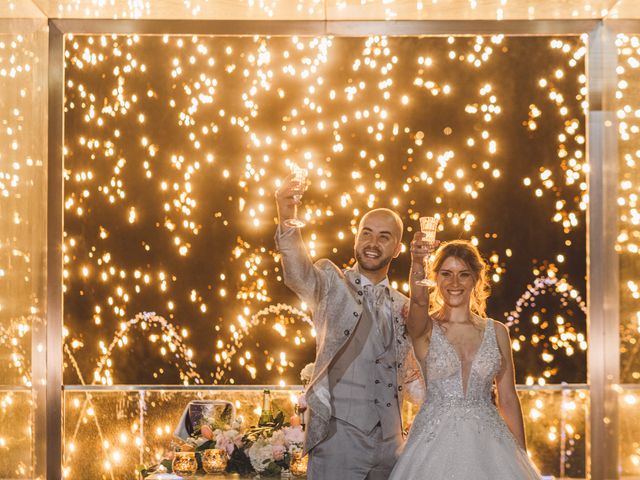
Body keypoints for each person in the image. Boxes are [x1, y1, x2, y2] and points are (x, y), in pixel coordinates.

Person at [274, 174, 423, 480]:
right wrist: (287, 215)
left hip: (392, 446)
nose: (372, 242)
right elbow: (297, 273)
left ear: (397, 249)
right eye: (366, 233)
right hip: (338, 440)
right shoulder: (330, 282)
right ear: (356, 239)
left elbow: (413, 375)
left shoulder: (406, 306)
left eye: (384, 237)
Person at [389, 236, 541, 479]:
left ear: (476, 279)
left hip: (491, 445)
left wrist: (520, 457)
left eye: (464, 274)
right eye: (446, 274)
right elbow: (418, 300)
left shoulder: (498, 331)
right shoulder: (424, 328)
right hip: (433, 445)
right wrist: (418, 261)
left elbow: (509, 399)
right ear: (435, 279)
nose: (454, 282)